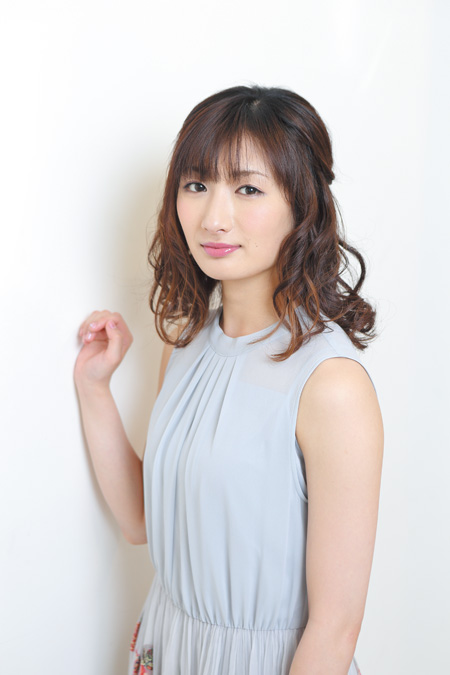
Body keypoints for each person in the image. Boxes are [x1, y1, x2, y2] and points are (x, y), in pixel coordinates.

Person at [74, 85, 384, 675]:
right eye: (196, 185)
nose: (214, 218)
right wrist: (94, 389)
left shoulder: (330, 385)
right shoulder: (186, 347)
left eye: (247, 189)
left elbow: (336, 627)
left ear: (302, 204)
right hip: (167, 648)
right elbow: (143, 521)